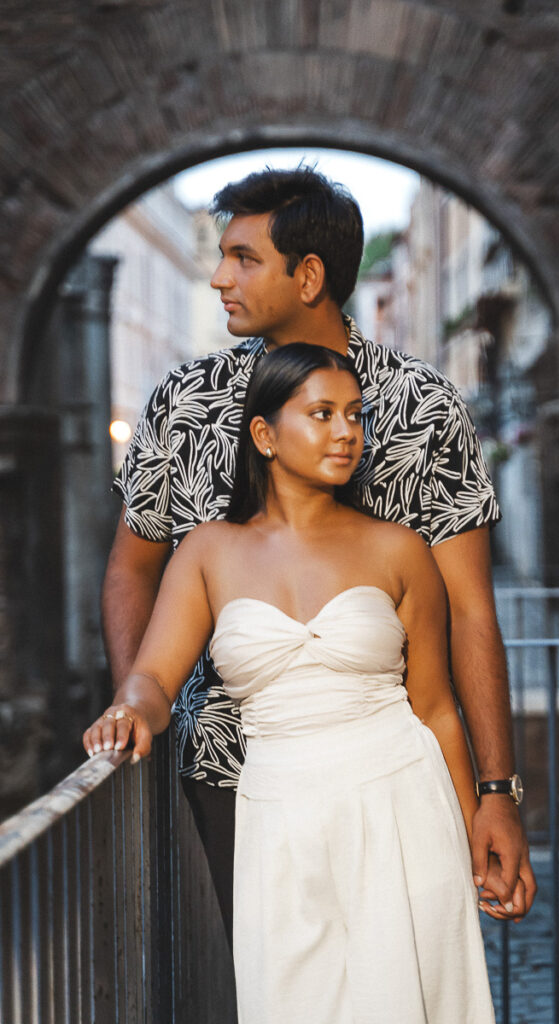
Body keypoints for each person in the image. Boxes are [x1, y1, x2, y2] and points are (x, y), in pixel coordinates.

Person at [102, 166, 535, 986]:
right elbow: (131, 571)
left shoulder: (421, 408)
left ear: (307, 276)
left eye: (242, 258)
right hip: (234, 777)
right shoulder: (183, 404)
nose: (219, 277)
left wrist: (494, 790)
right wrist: (140, 713)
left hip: (396, 776)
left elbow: (472, 613)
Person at [85, 343, 497, 1023]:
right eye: (323, 414)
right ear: (265, 435)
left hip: (402, 798)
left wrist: (480, 822)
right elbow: (156, 675)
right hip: (279, 808)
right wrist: (128, 706)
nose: (347, 432)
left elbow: (435, 709)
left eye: (356, 415)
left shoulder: (398, 549)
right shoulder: (209, 550)